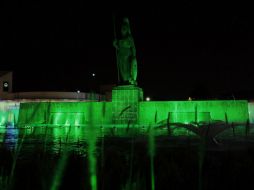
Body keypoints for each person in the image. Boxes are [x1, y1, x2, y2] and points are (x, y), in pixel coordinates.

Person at [113, 17, 137, 85]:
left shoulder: (129, 38)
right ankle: (125, 80)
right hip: (121, 56)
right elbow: (119, 48)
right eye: (122, 29)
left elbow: (133, 47)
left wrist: (134, 56)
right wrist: (115, 45)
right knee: (122, 69)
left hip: (127, 56)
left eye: (124, 29)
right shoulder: (121, 39)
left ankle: (130, 80)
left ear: (127, 29)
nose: (122, 30)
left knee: (127, 68)